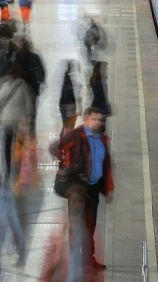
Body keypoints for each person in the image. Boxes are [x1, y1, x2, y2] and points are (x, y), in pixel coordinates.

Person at [56, 107, 114, 271]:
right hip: (77, 189)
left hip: (94, 189)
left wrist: (108, 188)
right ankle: (74, 261)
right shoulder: (76, 135)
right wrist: (65, 167)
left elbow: (106, 165)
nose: (99, 122)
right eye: (96, 119)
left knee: (90, 225)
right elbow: (56, 147)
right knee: (76, 227)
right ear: (87, 119)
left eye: (101, 120)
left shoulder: (102, 139)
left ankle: (88, 259)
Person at [0, 63, 34, 179]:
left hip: (6, 121)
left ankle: (8, 169)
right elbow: (29, 105)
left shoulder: (5, 86)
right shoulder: (24, 86)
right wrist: (29, 120)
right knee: (19, 144)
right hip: (19, 122)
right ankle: (18, 166)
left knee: (6, 144)